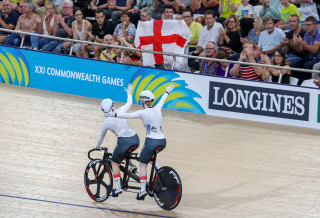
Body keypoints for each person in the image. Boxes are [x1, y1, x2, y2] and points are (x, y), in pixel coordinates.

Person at [105, 83, 175, 200]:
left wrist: (114, 114)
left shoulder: (142, 112)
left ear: (143, 102)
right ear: (151, 101)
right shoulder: (158, 107)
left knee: (142, 164)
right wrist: (167, 91)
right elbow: (163, 99)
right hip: (162, 141)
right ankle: (160, 173)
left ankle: (143, 191)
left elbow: (127, 115)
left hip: (152, 142)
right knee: (150, 158)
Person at [95, 84, 139, 196]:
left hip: (124, 141)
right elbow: (129, 102)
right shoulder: (121, 110)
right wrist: (129, 92)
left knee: (115, 162)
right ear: (112, 106)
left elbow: (101, 137)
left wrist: (97, 147)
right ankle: (132, 166)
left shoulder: (106, 122)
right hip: (135, 139)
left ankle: (118, 188)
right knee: (120, 150)